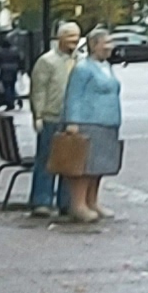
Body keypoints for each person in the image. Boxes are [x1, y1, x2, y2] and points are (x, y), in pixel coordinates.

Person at [55, 37, 123, 224]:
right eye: (105, 43)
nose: (110, 47)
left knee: (99, 165)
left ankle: (92, 201)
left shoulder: (107, 67)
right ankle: (78, 204)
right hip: (88, 120)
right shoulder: (82, 69)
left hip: (107, 121)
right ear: (94, 45)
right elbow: (74, 95)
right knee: (84, 166)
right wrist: (72, 121)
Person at [27, 22, 83, 216]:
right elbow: (38, 90)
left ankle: (65, 201)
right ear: (60, 38)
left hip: (72, 117)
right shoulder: (47, 61)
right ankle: (41, 200)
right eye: (70, 37)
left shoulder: (80, 61)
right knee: (46, 160)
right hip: (51, 116)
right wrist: (38, 114)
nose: (74, 41)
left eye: (76, 37)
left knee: (70, 162)